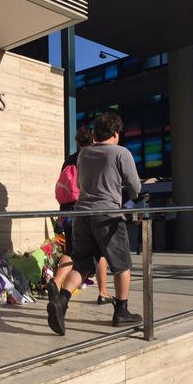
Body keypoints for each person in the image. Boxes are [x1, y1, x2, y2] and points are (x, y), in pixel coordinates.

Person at [46, 112, 142, 336]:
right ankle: (121, 311)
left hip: (82, 215)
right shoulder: (121, 153)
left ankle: (62, 301)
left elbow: (80, 184)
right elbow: (135, 187)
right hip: (108, 214)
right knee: (122, 264)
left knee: (82, 264)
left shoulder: (83, 154)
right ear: (116, 133)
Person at [49, 126, 112, 305]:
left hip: (67, 210)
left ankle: (56, 281)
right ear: (93, 139)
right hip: (86, 210)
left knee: (70, 250)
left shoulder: (69, 160)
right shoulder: (92, 157)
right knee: (99, 252)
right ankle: (103, 292)